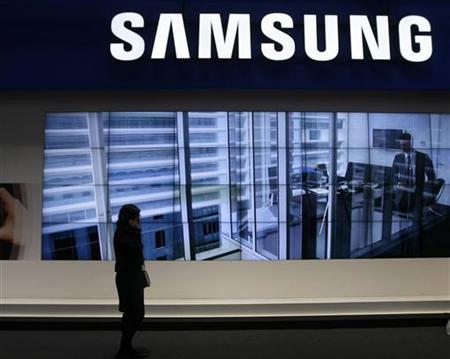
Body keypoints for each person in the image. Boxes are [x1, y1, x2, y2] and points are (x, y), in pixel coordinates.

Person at [114, 204, 149, 358]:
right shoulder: (123, 233)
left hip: (133, 277)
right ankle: (124, 349)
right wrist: (136, 231)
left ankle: (126, 348)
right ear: (130, 218)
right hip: (127, 279)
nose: (139, 220)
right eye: (137, 217)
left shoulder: (128, 231)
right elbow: (135, 251)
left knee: (134, 314)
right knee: (134, 314)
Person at [392, 132, 436, 215]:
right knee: (402, 215)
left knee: (416, 215)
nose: (402, 147)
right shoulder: (398, 157)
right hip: (403, 193)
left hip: (418, 192)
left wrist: (427, 193)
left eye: (405, 145)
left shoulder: (423, 157)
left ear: (411, 143)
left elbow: (431, 177)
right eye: (401, 145)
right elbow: (393, 174)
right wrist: (397, 184)